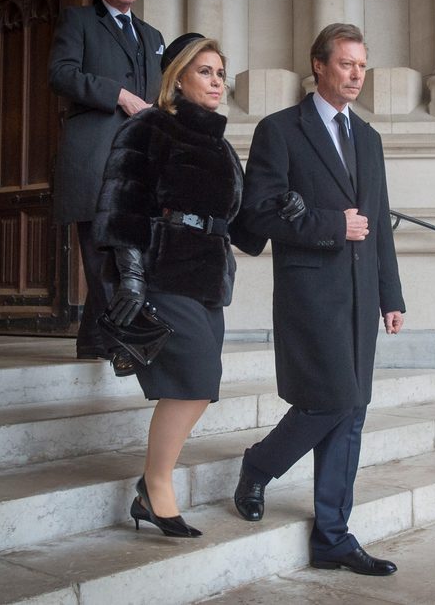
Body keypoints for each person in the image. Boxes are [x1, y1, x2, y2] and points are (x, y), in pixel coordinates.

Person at [233, 23, 406, 576]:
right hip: (310, 292)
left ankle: (333, 534)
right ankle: (259, 465)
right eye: (347, 64)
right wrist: (333, 225)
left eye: (362, 65)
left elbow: (378, 227)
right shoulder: (280, 130)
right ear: (319, 66)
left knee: (352, 411)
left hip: (360, 297)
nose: (357, 75)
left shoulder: (370, 139)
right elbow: (256, 214)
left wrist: (390, 295)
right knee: (329, 401)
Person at [94, 34, 256, 537]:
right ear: (179, 77)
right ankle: (157, 485)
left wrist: (291, 208)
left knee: (199, 386)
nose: (216, 82)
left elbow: (241, 223)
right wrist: (133, 276)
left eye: (220, 74)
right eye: (205, 71)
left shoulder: (222, 145)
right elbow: (124, 202)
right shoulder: (149, 127)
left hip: (208, 276)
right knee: (195, 380)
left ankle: (151, 487)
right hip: (164, 270)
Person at [49, 0, 164, 360]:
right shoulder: (78, 20)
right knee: (101, 250)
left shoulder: (152, 36)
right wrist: (117, 94)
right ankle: (123, 342)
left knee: (130, 248)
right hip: (93, 154)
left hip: (137, 159)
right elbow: (60, 73)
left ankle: (92, 339)